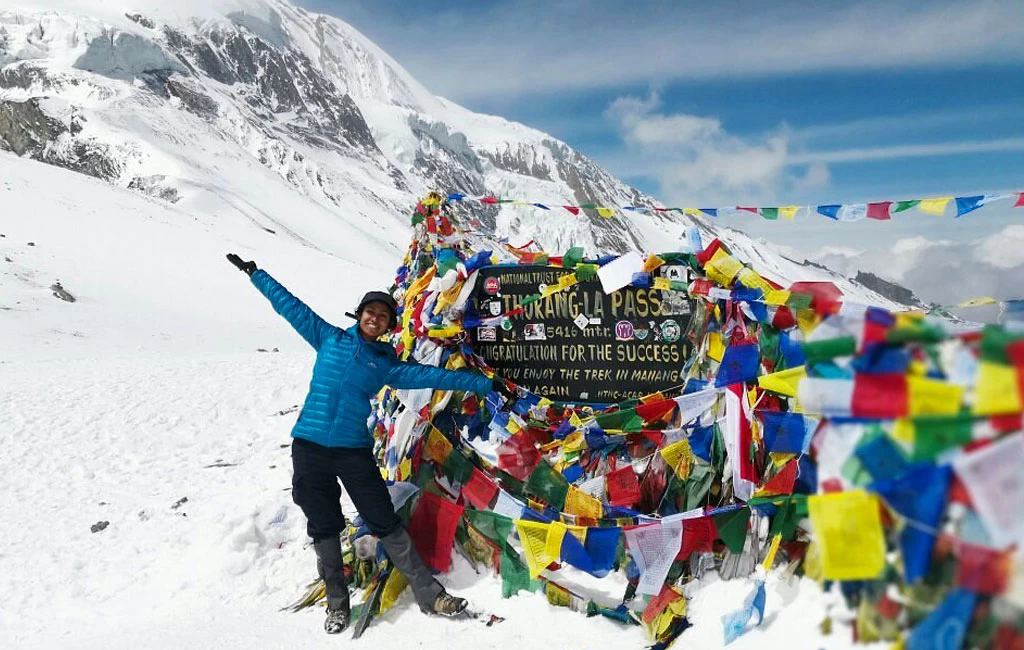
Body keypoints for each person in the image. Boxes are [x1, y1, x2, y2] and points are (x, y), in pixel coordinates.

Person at [226, 253, 501, 634]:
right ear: (360, 315)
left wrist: (483, 383)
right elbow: (291, 306)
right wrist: (256, 274)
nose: (375, 318)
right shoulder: (329, 338)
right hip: (308, 446)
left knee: (383, 519)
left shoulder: (385, 364)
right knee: (322, 525)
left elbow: (432, 375)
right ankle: (337, 605)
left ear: (389, 325)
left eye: (383, 315)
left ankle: (429, 593)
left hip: (352, 450)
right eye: (370, 312)